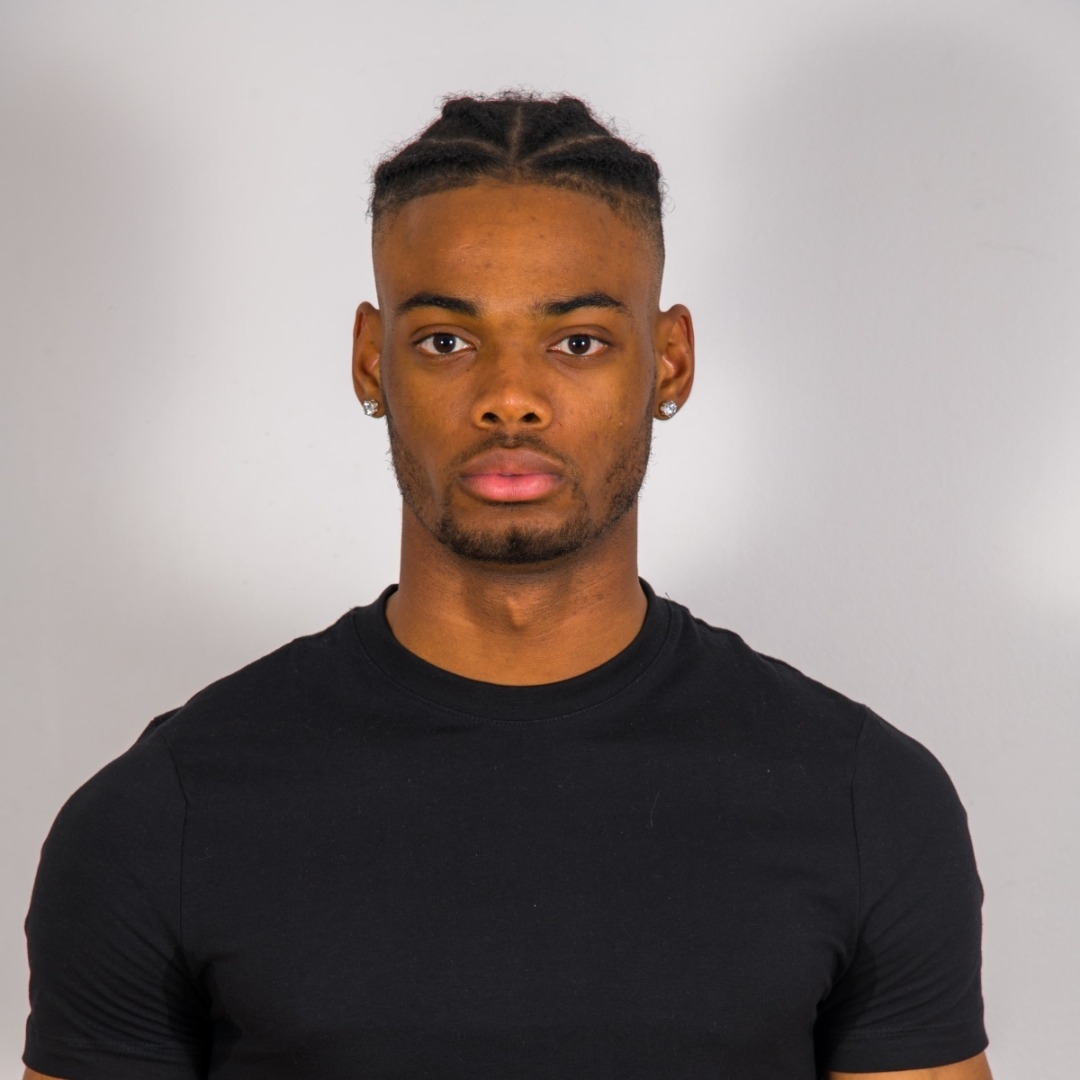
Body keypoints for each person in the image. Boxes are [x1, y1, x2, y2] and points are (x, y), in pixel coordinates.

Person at [21, 93, 991, 1080]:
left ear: (670, 361)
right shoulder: (164, 816)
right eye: (447, 340)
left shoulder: (864, 802)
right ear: (371, 361)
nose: (511, 398)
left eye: (578, 342)